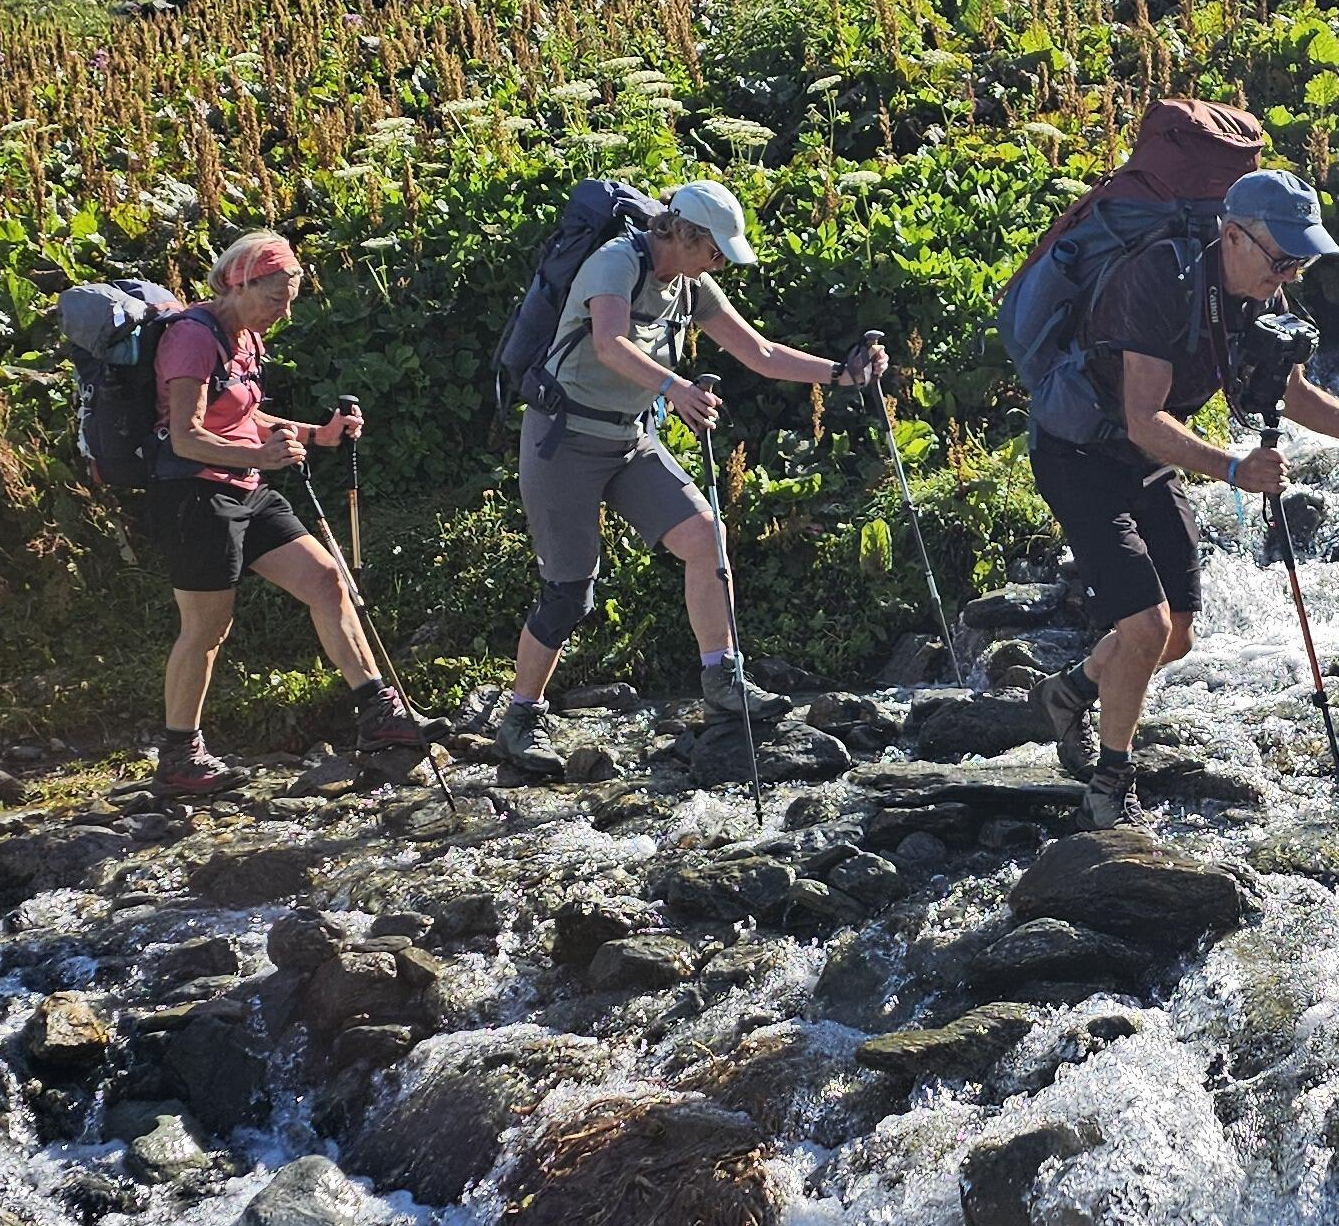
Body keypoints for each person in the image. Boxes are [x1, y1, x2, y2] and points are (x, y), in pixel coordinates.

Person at [1029, 169, 1339, 827]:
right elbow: (1143, 417)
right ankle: (1110, 783)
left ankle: (1069, 692)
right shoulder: (1158, 279)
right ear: (1233, 237)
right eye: (1282, 258)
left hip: (1147, 462)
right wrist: (1231, 468)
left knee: (1176, 636)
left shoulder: (1263, 292)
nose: (1290, 274)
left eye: (1301, 261)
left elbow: (1295, 394)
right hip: (1080, 455)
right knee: (1146, 628)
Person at [494, 180, 882, 775]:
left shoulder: (691, 285)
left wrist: (843, 376)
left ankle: (723, 679)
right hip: (563, 441)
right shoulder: (615, 263)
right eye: (715, 250)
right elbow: (609, 343)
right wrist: (674, 388)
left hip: (629, 440)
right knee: (569, 593)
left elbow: (760, 353)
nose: (721, 262)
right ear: (685, 235)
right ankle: (521, 717)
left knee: (705, 536)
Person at [146, 229, 427, 795]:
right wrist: (260, 457)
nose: (285, 312)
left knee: (326, 579)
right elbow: (184, 436)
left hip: (247, 487)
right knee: (207, 627)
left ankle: (379, 713)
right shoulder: (191, 339)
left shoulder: (245, 337)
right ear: (239, 285)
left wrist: (319, 434)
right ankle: (179, 756)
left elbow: (245, 415)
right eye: (276, 298)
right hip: (195, 497)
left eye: (290, 299)